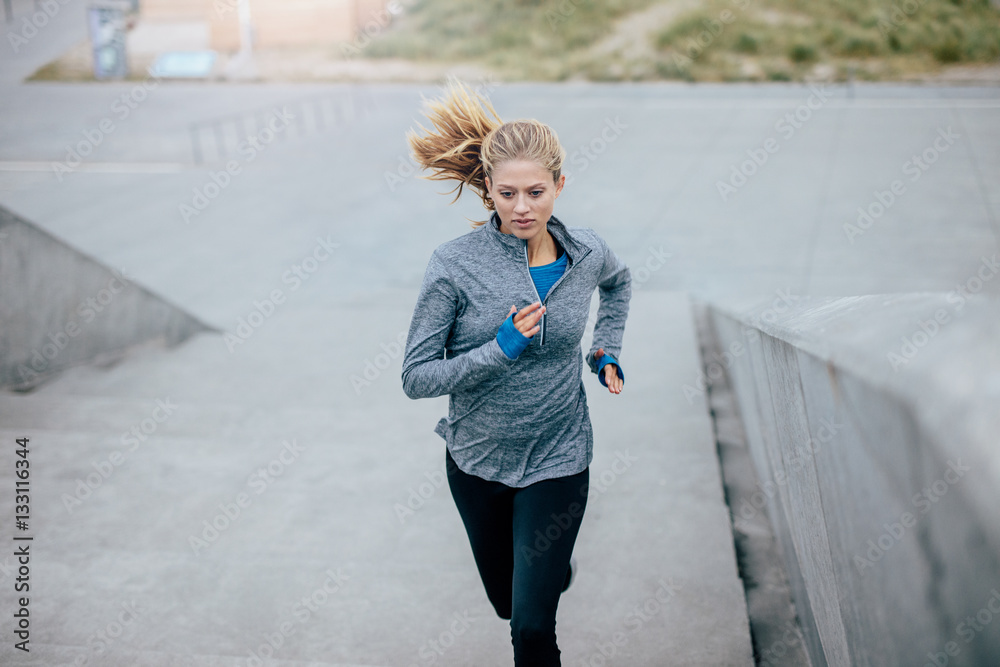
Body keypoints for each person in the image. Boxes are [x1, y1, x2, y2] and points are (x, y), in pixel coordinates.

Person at [400, 76, 632, 667]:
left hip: (559, 455)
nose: (522, 208)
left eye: (535, 192)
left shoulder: (587, 253)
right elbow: (416, 377)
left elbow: (620, 282)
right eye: (507, 194)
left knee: (530, 630)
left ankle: (545, 573)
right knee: (507, 603)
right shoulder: (455, 265)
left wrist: (603, 349)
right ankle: (550, 570)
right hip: (478, 462)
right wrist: (498, 349)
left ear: (560, 185)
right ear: (489, 190)